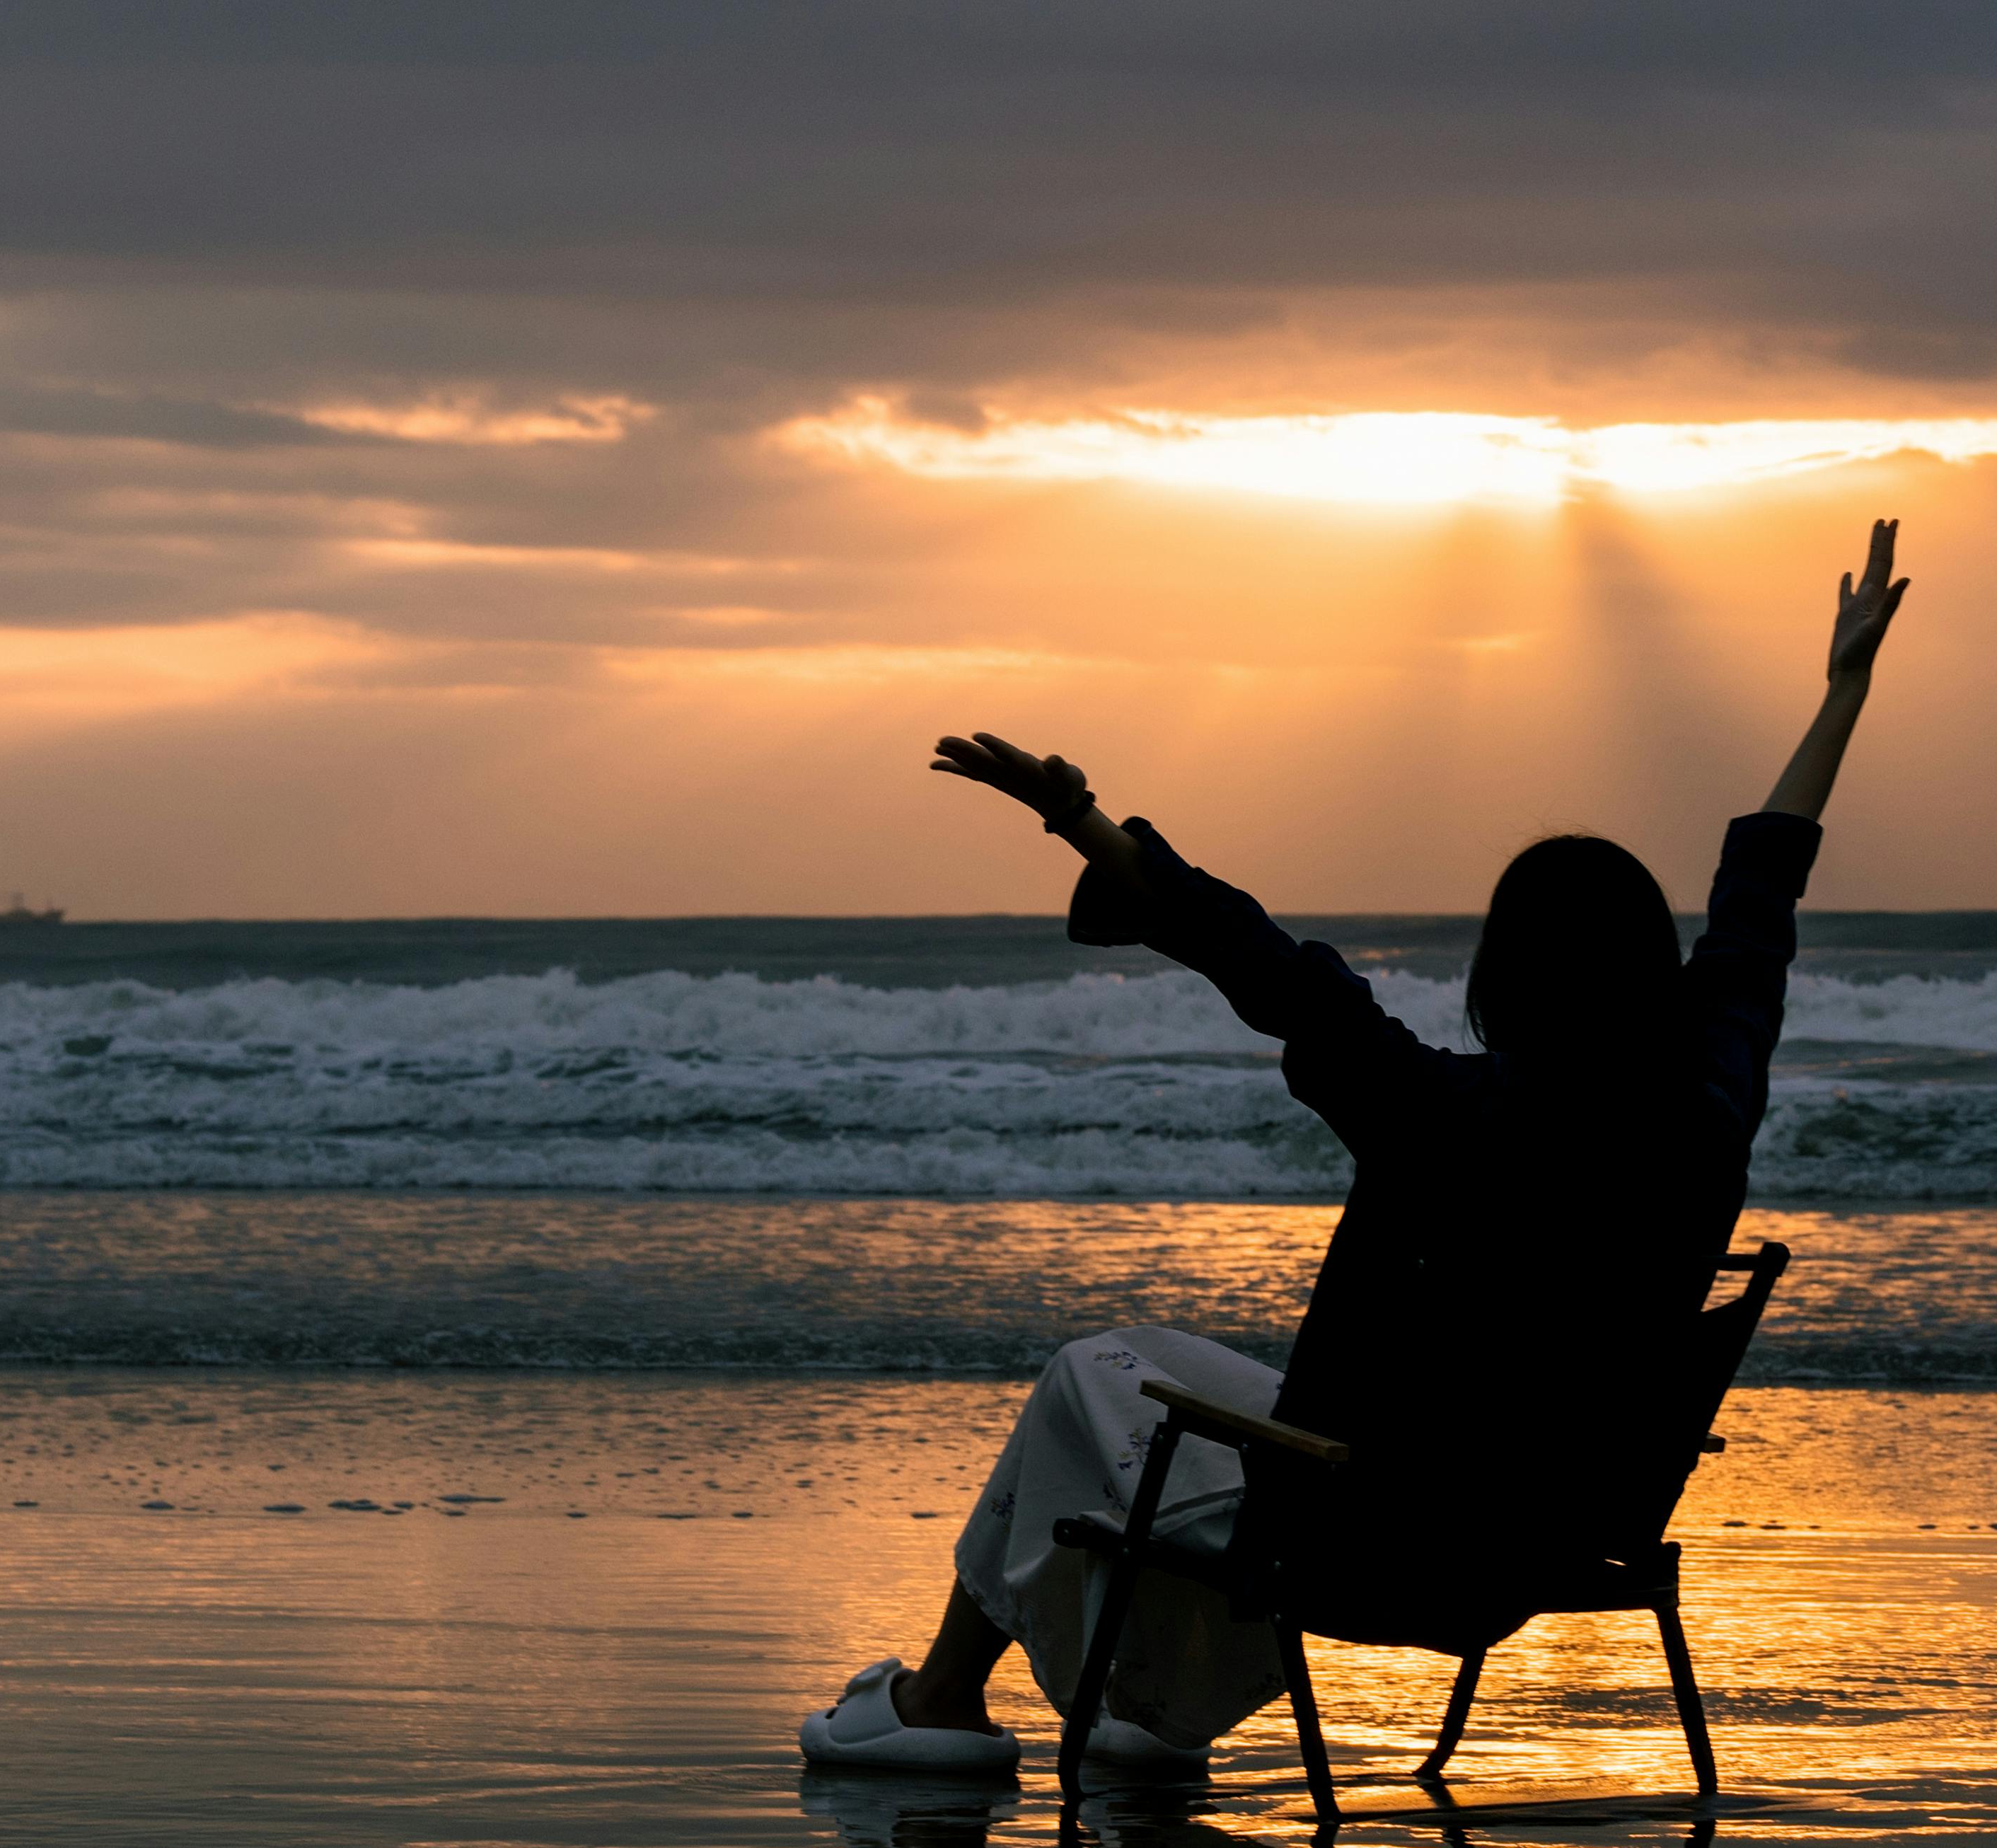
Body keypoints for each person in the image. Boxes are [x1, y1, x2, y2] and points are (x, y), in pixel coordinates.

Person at [800, 519, 1912, 1772]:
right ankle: (1150, 1715)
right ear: (1657, 972)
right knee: (1181, 1422)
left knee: (1087, 1376)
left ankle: (944, 1700)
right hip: (1544, 1542)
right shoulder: (1708, 1106)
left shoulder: (1438, 1110)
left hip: (1366, 1538)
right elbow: (1760, 903)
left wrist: (1080, 820)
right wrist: (1845, 690)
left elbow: (1265, 965)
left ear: (1504, 974)